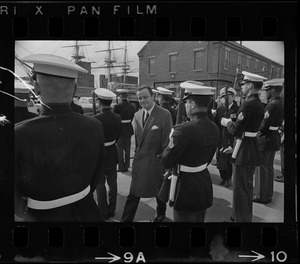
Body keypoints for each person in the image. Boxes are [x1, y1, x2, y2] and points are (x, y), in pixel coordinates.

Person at [15, 54, 106, 222]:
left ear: (36, 88)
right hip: (88, 212)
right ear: (76, 89)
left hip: (40, 217)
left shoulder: (19, 133)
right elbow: (96, 175)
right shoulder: (95, 126)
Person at [162, 81, 220, 222]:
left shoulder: (183, 130)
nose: (185, 106)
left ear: (193, 104)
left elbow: (166, 160)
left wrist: (171, 140)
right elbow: (209, 158)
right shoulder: (214, 127)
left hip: (185, 186)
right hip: (203, 181)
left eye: (187, 102)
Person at [121, 85, 173, 222]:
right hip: (140, 162)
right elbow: (138, 140)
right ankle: (125, 221)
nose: (143, 100)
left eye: (145, 97)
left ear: (153, 97)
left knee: (158, 192)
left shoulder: (164, 114)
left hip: (155, 163)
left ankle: (161, 214)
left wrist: (163, 162)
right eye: (140, 98)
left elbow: (166, 143)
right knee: (133, 194)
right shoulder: (137, 115)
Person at [221, 71, 266, 222]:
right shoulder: (259, 103)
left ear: (251, 85)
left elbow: (236, 130)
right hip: (249, 147)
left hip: (244, 150)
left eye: (244, 84)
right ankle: (243, 216)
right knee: (246, 187)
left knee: (241, 189)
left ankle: (241, 218)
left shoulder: (248, 104)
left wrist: (227, 122)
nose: (242, 87)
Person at [253, 79, 284, 204]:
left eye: (266, 90)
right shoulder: (280, 102)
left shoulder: (272, 105)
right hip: (273, 137)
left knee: (262, 168)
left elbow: (263, 125)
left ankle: (261, 196)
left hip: (265, 138)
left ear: (272, 90)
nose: (265, 93)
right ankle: (268, 194)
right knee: (269, 168)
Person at [93, 88, 122, 220]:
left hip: (100, 155)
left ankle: (103, 212)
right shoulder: (117, 117)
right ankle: (112, 210)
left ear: (99, 102)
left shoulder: (95, 119)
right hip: (112, 152)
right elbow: (117, 136)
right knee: (113, 183)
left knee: (100, 185)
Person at [215, 87, 239, 188]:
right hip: (221, 136)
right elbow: (216, 122)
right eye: (224, 96)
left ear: (233, 97)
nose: (226, 98)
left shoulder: (237, 109)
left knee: (228, 159)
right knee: (220, 157)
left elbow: (238, 125)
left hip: (231, 137)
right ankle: (223, 177)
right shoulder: (220, 108)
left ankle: (228, 178)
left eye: (228, 96)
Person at [113, 89, 136, 172]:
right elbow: (132, 117)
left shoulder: (117, 106)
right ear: (127, 96)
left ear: (120, 96)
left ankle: (121, 167)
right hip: (128, 127)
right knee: (127, 149)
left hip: (120, 128)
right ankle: (127, 166)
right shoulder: (132, 106)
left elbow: (115, 118)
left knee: (119, 149)